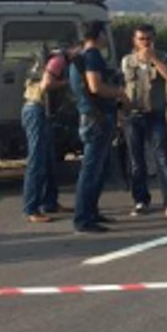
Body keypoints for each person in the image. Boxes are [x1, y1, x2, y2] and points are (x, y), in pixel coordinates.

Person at [71, 21, 129, 233]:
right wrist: (120, 93)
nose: (106, 38)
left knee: (97, 168)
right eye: (105, 33)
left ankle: (91, 212)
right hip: (98, 117)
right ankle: (83, 219)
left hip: (90, 115)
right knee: (91, 169)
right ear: (99, 35)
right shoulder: (93, 56)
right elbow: (96, 86)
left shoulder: (79, 56)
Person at [121, 24, 167, 218]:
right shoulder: (127, 61)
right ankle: (140, 200)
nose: (145, 42)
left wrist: (154, 58)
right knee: (136, 161)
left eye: (149, 38)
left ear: (154, 39)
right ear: (135, 41)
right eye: (141, 39)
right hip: (133, 115)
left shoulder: (164, 57)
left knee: (163, 158)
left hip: (155, 114)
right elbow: (122, 86)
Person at [20, 44, 75, 222]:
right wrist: (68, 83)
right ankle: (31, 208)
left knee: (49, 159)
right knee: (37, 161)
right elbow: (47, 84)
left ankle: (49, 202)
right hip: (37, 109)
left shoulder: (51, 59)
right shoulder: (59, 61)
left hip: (39, 110)